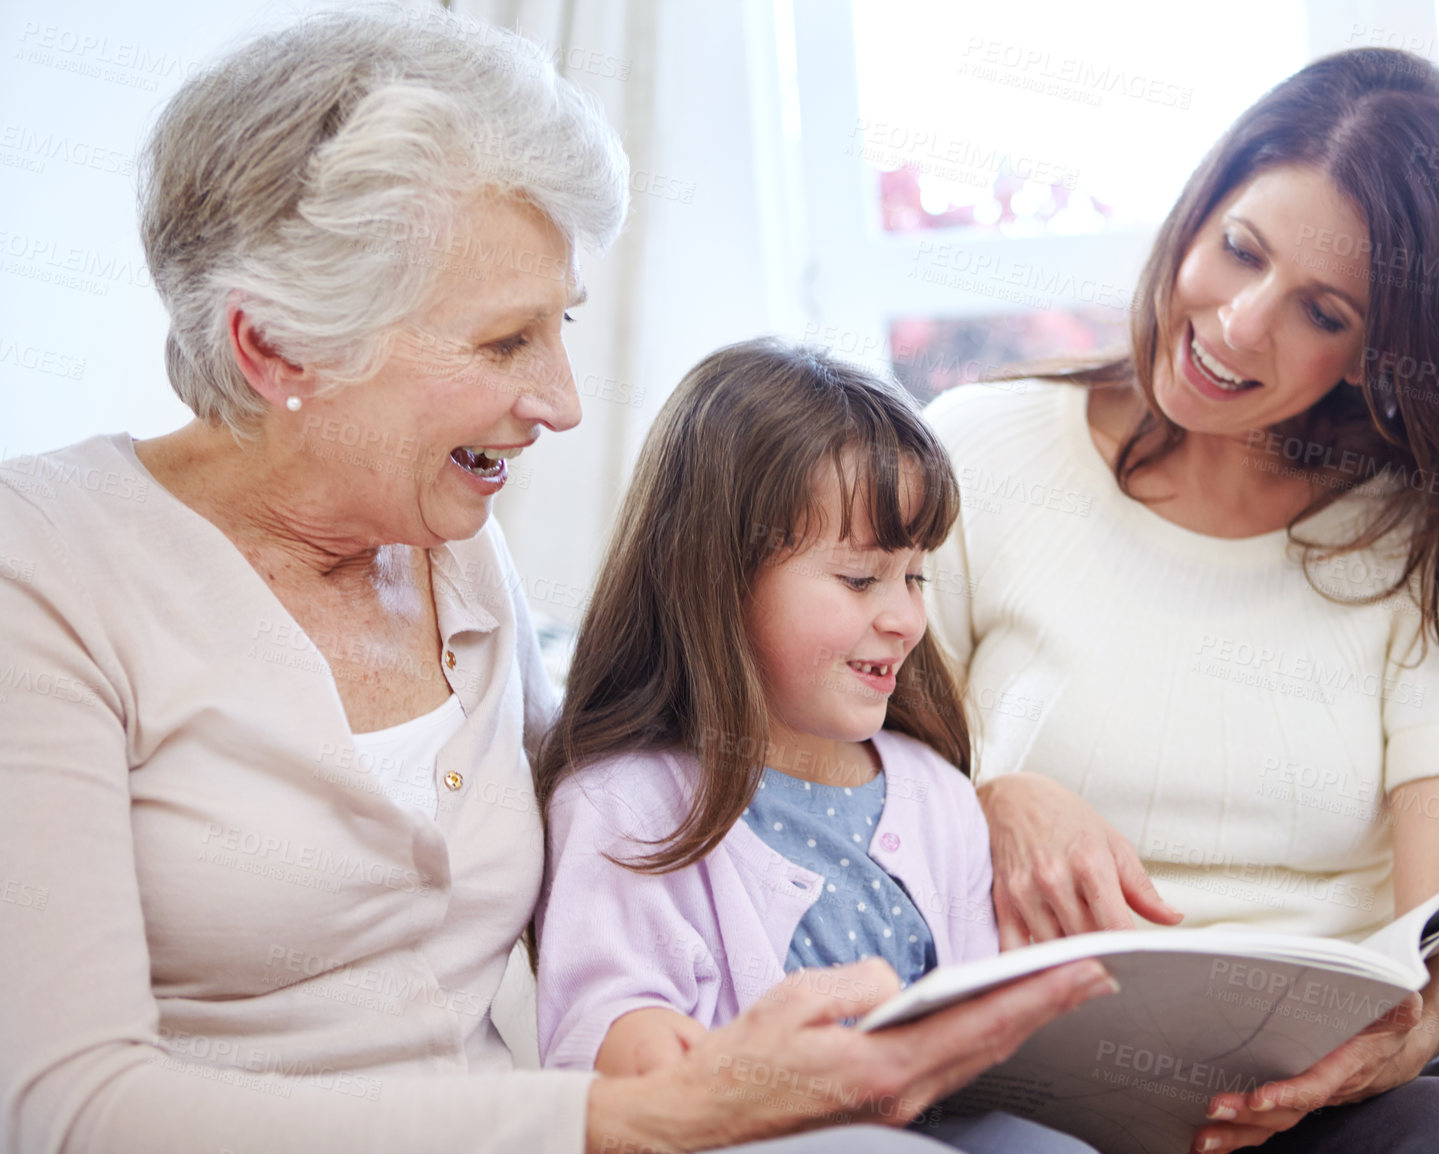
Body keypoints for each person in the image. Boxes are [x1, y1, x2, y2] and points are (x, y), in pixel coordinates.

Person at [0, 10, 1110, 1154]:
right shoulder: (42, 571)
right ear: (278, 348)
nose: (563, 400)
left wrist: (979, 808)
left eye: (561, 325)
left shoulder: (448, 541)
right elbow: (69, 1108)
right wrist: (625, 1114)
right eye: (502, 343)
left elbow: (639, 791)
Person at [920, 46, 1439, 1154]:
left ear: (1376, 352)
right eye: (1238, 249)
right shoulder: (979, 451)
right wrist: (987, 797)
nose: (1240, 323)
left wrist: (1397, 1041)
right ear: (1200, 208)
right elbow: (829, 791)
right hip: (1033, 1054)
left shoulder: (1433, 530)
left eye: (1322, 310)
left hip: (1320, 1068)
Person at [533, 339, 1104, 1153]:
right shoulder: (626, 804)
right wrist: (659, 1051)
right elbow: (607, 1028)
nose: (906, 617)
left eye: (915, 577)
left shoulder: (932, 790)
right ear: (718, 577)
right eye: (861, 579)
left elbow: (973, 1033)